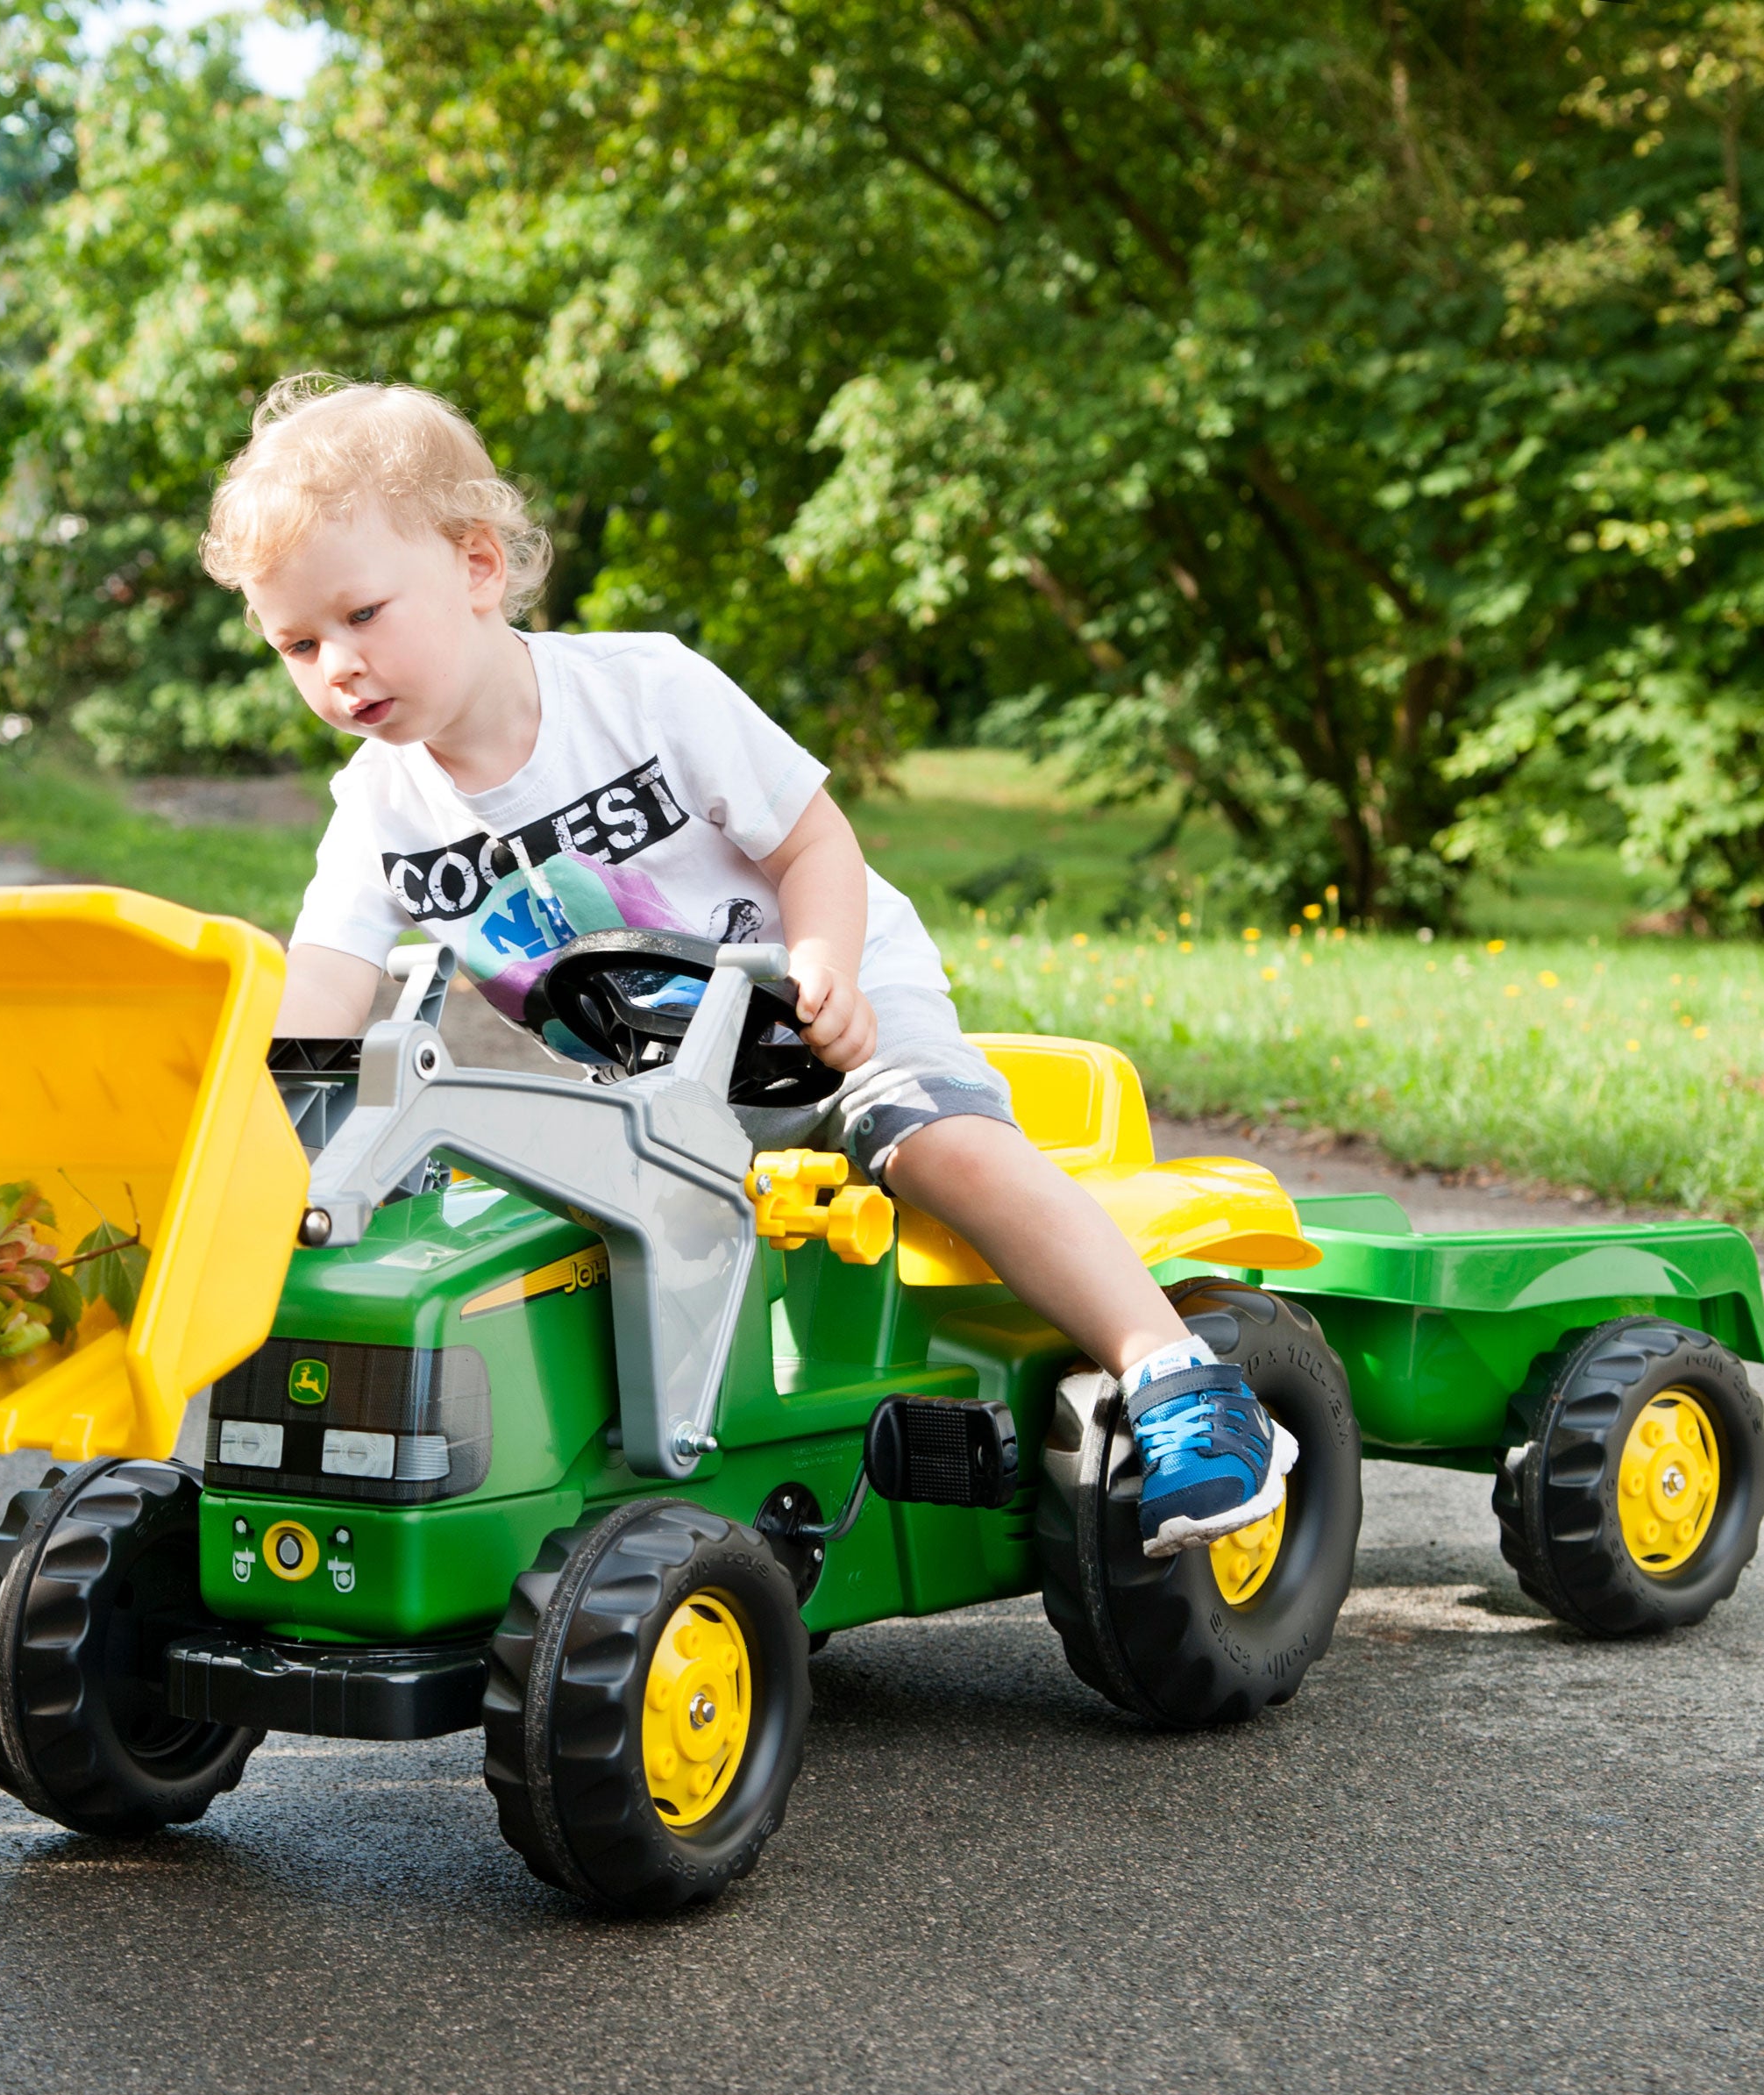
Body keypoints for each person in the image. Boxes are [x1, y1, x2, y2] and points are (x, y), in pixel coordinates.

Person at [200, 374, 1292, 1556]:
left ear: (478, 568)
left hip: (828, 1018)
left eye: (361, 614)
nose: (336, 668)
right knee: (523, 1232)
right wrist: (257, 1136)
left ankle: (1175, 1374)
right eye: (297, 644)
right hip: (648, 1092)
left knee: (936, 1144)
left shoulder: (641, 691)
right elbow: (320, 989)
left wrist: (826, 966)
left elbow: (810, 835)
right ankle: (640, 1494)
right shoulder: (376, 811)